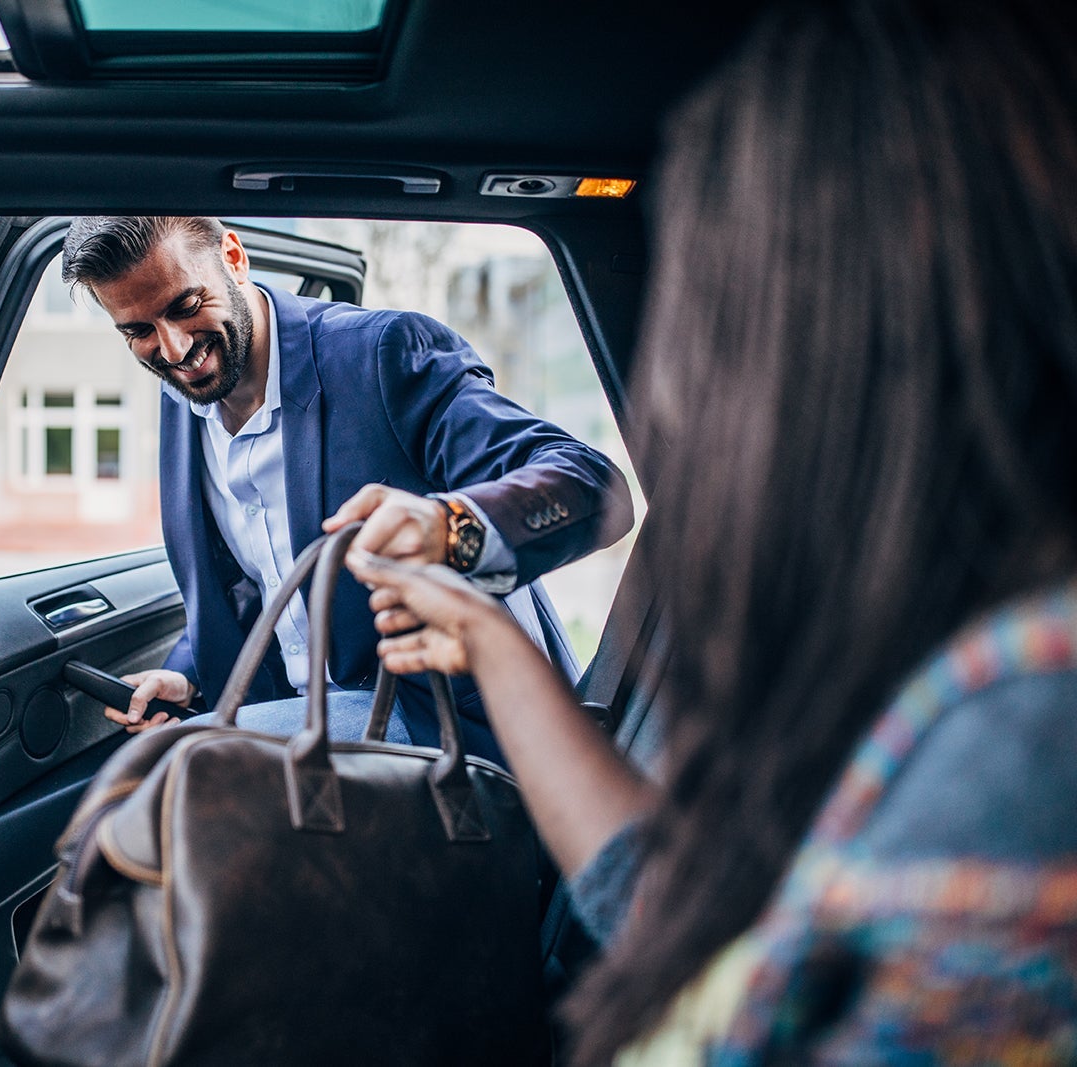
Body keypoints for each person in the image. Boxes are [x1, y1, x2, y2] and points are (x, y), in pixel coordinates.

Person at [347, 0, 1077, 1061]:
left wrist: (457, 529)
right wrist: (487, 636)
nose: (666, 402)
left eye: (705, 311)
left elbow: (584, 481)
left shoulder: (1026, 734)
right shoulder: (944, 662)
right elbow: (710, 930)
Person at [61, 216, 633, 759]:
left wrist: (448, 529)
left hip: (442, 720)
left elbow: (594, 487)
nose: (175, 350)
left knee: (170, 767)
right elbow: (256, 581)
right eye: (138, 331)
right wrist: (185, 676)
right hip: (303, 717)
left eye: (186, 306)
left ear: (233, 258)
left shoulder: (383, 354)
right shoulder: (184, 398)